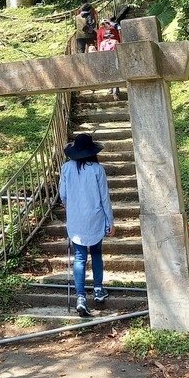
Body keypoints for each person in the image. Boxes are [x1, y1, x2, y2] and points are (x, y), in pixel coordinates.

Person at [59, 132, 115, 317]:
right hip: (96, 218)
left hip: (76, 219)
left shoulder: (66, 168)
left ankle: (81, 297)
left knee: (79, 256)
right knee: (97, 253)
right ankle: (98, 289)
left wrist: (71, 205)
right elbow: (104, 198)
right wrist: (110, 221)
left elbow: (63, 196)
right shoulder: (97, 170)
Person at [97, 19, 122, 100]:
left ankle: (112, 89)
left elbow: (100, 45)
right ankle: (115, 90)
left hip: (106, 59)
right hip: (114, 59)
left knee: (109, 74)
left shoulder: (103, 40)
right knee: (115, 73)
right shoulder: (115, 40)